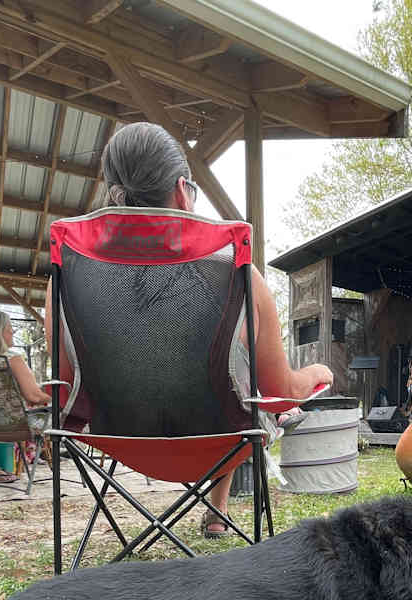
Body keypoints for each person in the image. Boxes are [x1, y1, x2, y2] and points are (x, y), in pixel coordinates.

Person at [43, 122, 332, 539]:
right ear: (182, 191)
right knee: (241, 395)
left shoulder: (67, 280)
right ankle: (217, 509)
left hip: (119, 443)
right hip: (219, 443)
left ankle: (214, 510)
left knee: (234, 384)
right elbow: (277, 394)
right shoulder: (238, 276)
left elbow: (66, 390)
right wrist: (317, 373)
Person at [0, 311, 52, 485]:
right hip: (17, 424)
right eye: (9, 328)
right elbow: (34, 396)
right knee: (64, 413)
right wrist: (57, 397)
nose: (12, 332)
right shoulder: (12, 359)